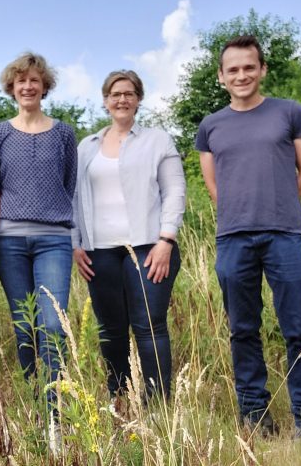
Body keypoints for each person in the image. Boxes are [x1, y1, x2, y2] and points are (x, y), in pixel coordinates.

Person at [195, 35, 301, 436]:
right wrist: (244, 211)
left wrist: (278, 203)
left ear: (262, 69)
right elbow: (215, 187)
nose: (241, 75)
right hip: (233, 240)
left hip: (286, 236)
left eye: (249, 67)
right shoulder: (210, 126)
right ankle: (255, 416)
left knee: (298, 328)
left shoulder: (290, 113)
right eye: (232, 69)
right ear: (221, 76)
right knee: (243, 329)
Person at [72, 70, 185, 403]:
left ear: (138, 99)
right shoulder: (86, 146)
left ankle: (157, 408)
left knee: (150, 327)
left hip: (149, 247)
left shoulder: (157, 140)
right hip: (99, 252)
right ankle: (119, 400)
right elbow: (75, 197)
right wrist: (76, 244)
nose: (122, 99)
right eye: (115, 94)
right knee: (111, 331)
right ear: (106, 100)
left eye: (129, 93)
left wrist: (167, 240)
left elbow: (175, 190)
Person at [0, 53, 77, 415]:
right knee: (24, 324)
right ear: (12, 87)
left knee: (53, 325)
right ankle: (34, 401)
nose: (27, 86)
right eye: (21, 81)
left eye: (34, 81)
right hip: (7, 241)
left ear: (44, 86)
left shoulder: (63, 133)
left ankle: (56, 409)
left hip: (53, 239)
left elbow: (67, 183)